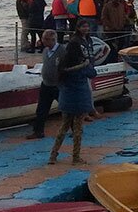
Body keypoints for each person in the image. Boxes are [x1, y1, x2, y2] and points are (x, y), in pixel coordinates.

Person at [49, 21, 94, 165]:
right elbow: (92, 73)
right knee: (78, 129)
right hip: (79, 99)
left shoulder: (64, 67)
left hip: (67, 99)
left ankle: (53, 155)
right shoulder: (81, 66)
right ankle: (76, 156)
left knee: (63, 127)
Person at [27, 29, 63, 139]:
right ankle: (38, 131)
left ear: (52, 39)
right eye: (43, 39)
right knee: (41, 109)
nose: (43, 41)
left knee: (66, 107)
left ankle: (74, 128)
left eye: (45, 39)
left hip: (58, 85)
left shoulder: (62, 51)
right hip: (46, 84)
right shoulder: (45, 51)